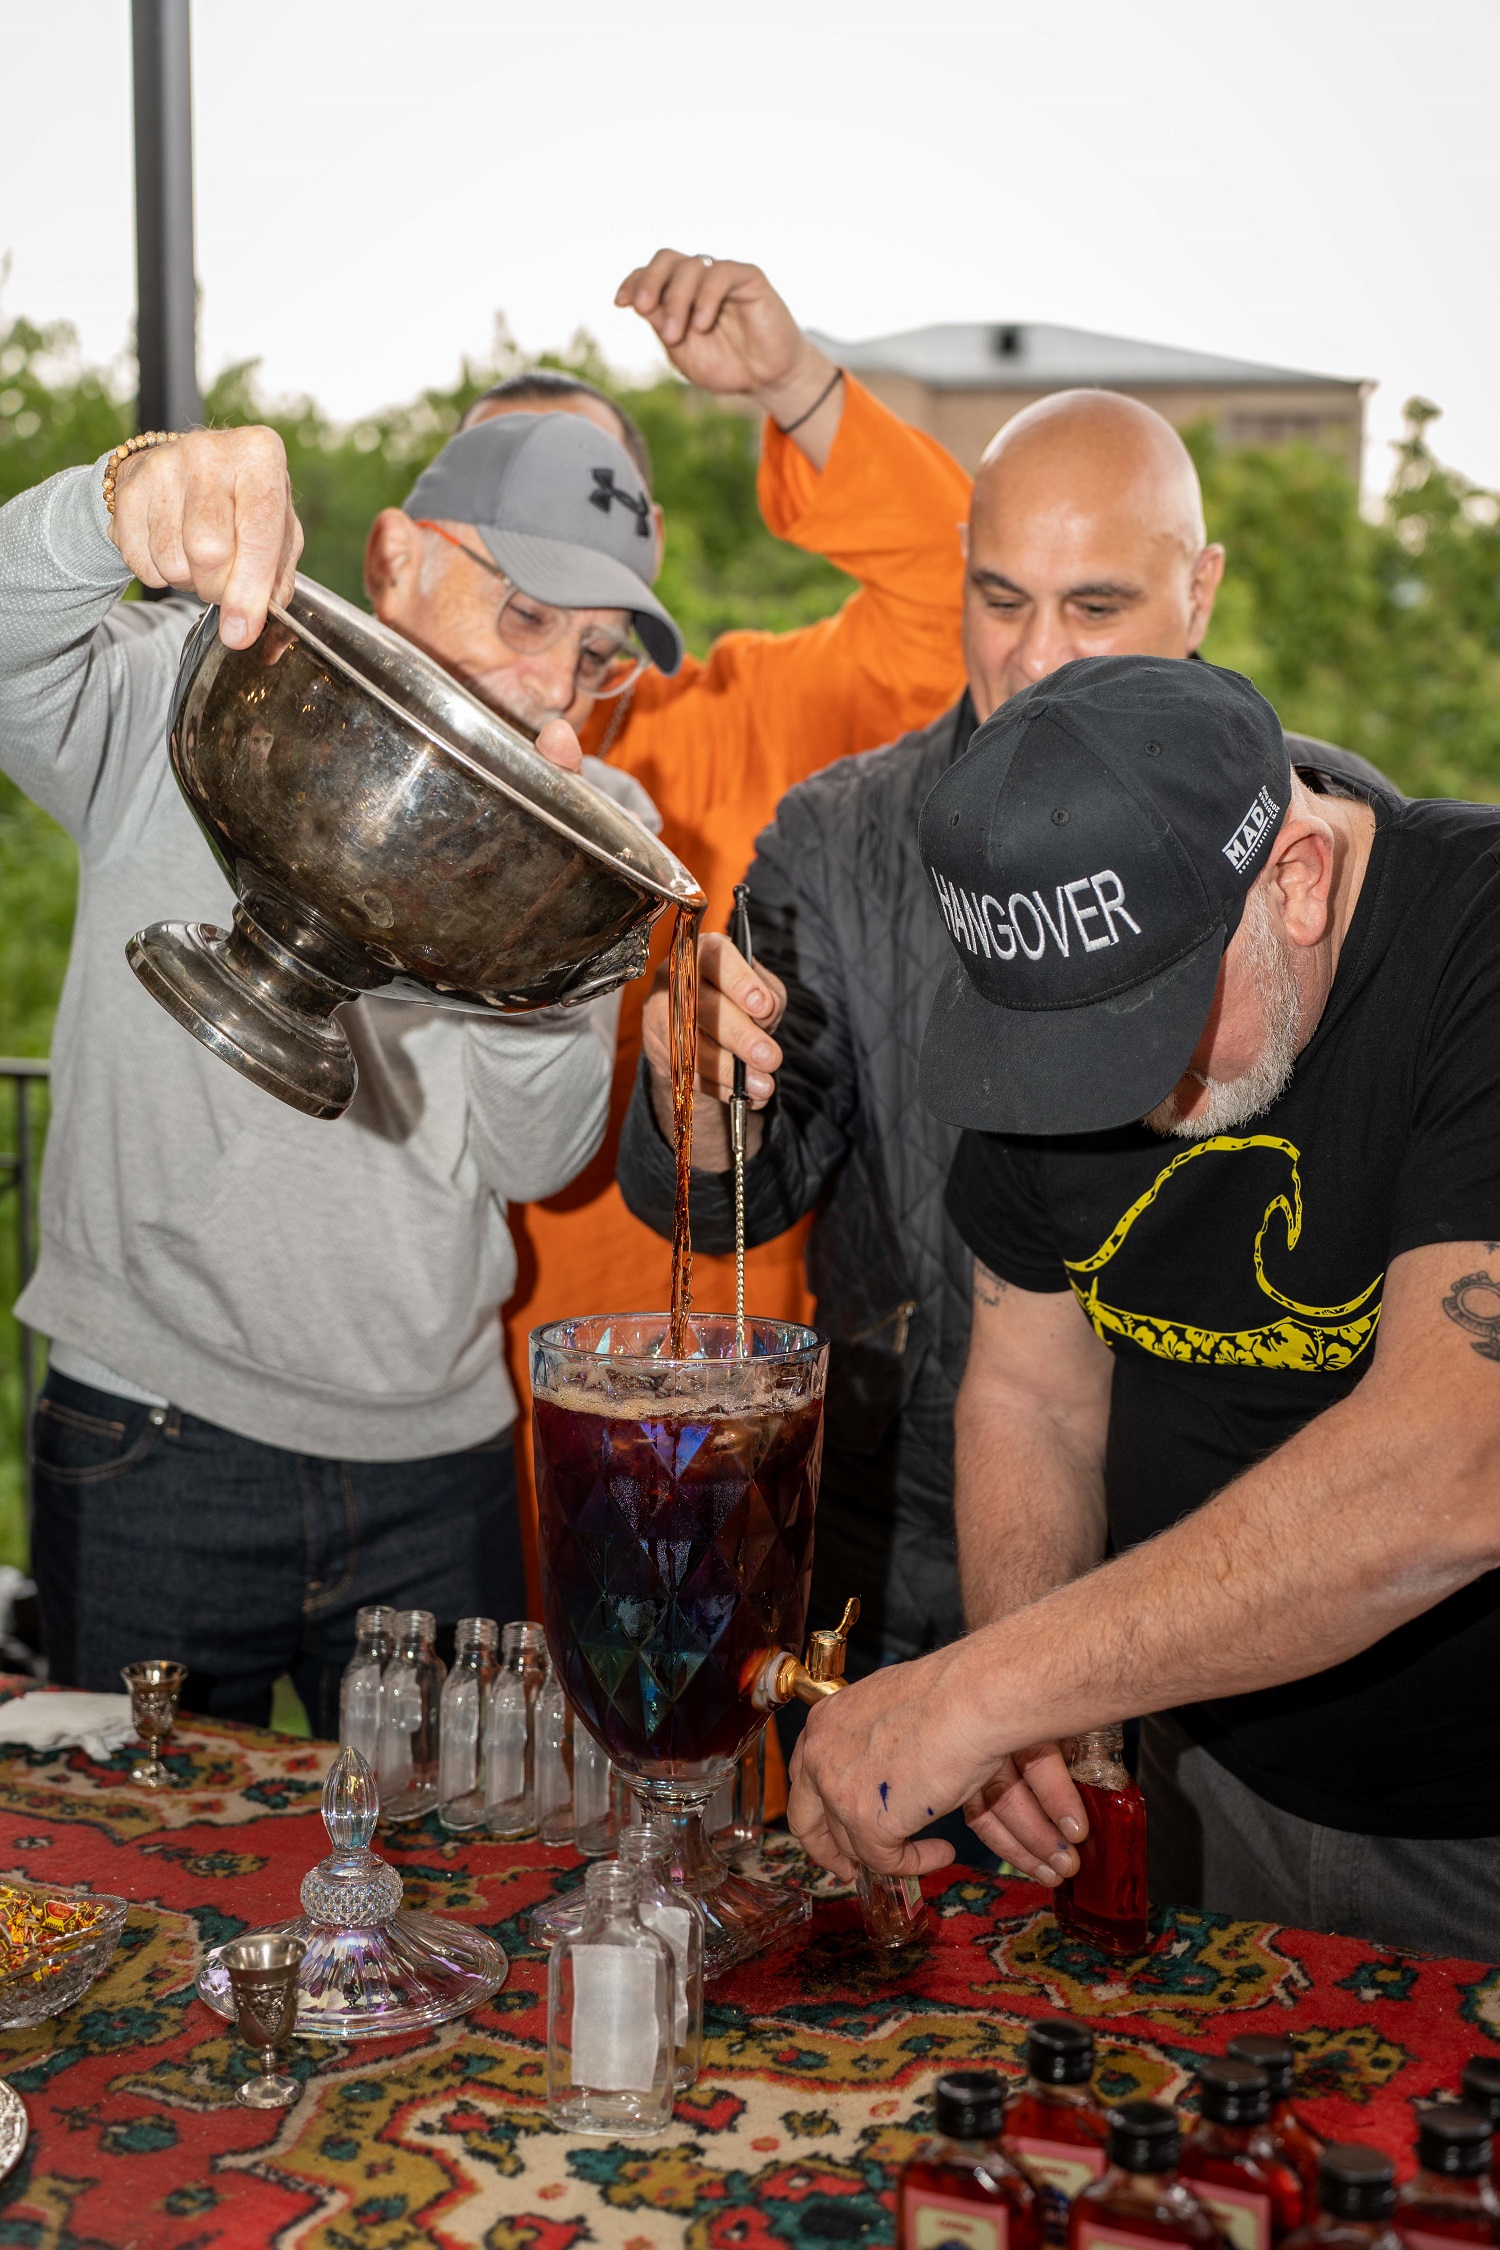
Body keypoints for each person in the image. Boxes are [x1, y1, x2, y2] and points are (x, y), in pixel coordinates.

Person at [618, 390, 1385, 1698]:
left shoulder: (1314, 827)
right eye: (1001, 598)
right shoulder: (836, 839)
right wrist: (697, 1084)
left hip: (1237, 1559)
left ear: (1199, 592)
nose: (1036, 657)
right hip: (897, 1555)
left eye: (1096, 606)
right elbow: (741, 1196)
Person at [785, 653, 1500, 1960]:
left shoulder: (1481, 943)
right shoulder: (1057, 1000)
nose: (1109, 1092)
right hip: (1203, 1763)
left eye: (1150, 1026)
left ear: (1296, 878)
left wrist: (985, 1691)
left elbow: (1456, 1465)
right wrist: (1054, 1702)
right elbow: (1033, 1395)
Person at [0, 381, 680, 1732]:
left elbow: (537, 1162)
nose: (555, 684)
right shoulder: (210, 670)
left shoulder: (593, 819)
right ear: (396, 555)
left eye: (600, 653)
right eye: (526, 613)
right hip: (150, 1428)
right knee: (134, 1847)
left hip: (438, 1456)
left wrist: (528, 916)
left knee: (444, 1853)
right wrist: (119, 501)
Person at [479, 250, 972, 1578]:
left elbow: (959, 616)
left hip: (703, 1424)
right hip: (451, 1423)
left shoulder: (742, 712)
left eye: (587, 492)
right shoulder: (378, 755)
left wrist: (795, 387)